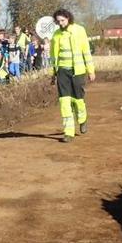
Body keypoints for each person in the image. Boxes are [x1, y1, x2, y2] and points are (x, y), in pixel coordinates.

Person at [50, 8, 95, 143]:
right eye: (58, 21)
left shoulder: (79, 30)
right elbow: (53, 56)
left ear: (68, 18)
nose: (61, 24)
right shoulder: (56, 35)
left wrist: (90, 70)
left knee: (78, 100)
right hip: (62, 71)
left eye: (62, 20)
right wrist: (53, 73)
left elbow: (86, 51)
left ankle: (82, 120)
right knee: (64, 102)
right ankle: (68, 132)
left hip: (78, 71)